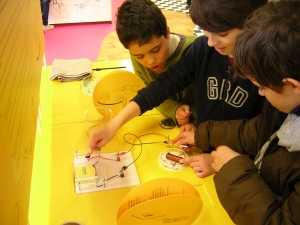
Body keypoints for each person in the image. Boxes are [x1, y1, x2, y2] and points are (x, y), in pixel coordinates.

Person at [87, 0, 267, 161]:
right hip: (203, 148)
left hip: (235, 159)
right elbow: (160, 88)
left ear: (251, 24)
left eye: (222, 33)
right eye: (205, 31)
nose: (211, 42)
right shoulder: (203, 48)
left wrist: (210, 151)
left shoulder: (266, 66)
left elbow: (258, 132)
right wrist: (112, 126)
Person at [181, 1, 300, 224]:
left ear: (293, 85)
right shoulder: (288, 108)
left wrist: (233, 169)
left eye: (262, 87)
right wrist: (203, 135)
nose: (261, 94)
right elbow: (261, 130)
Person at [116, 0, 197, 124]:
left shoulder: (195, 50)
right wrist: (173, 109)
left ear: (167, 32)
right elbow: (151, 93)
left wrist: (195, 122)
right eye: (139, 56)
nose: (150, 61)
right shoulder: (136, 56)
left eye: (156, 49)